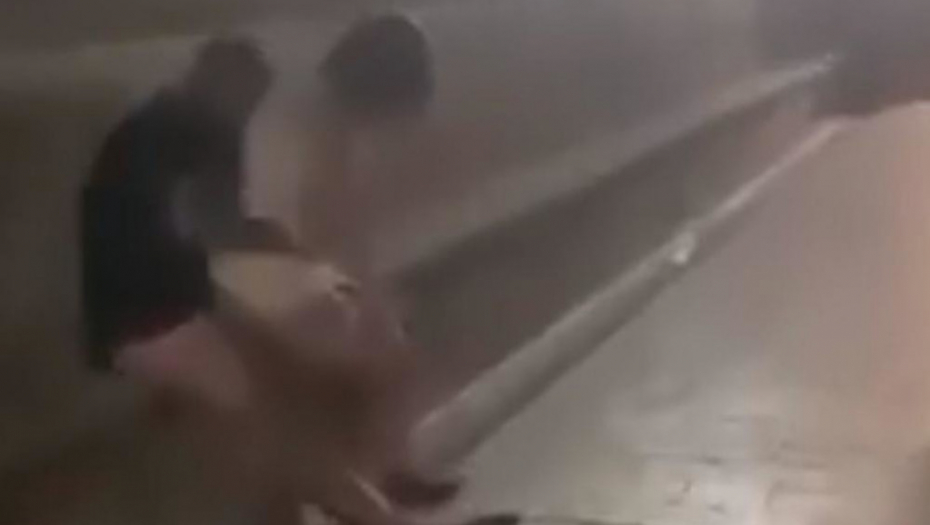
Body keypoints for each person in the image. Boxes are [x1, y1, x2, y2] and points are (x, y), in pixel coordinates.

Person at [81, 36, 282, 372]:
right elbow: (217, 228)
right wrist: (279, 246)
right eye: (250, 99)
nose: (249, 112)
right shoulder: (210, 132)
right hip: (162, 314)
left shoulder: (145, 122)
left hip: (116, 321)